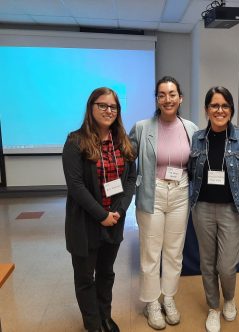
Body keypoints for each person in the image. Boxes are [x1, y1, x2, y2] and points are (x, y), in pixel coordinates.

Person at [62, 87, 136, 332]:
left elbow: (130, 178)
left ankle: (105, 316)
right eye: (102, 105)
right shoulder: (75, 141)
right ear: (91, 107)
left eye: (113, 106)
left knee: (106, 273)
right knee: (85, 279)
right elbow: (76, 185)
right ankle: (93, 325)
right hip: (85, 223)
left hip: (114, 221)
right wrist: (101, 215)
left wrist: (119, 211)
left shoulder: (122, 140)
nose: (108, 110)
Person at [189, 86, 239, 332]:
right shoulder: (197, 138)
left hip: (234, 209)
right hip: (202, 208)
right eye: (214, 106)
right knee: (207, 263)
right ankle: (213, 307)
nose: (220, 110)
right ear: (207, 110)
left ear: (231, 109)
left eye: (225, 106)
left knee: (227, 265)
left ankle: (229, 298)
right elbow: (189, 174)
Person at [129, 76, 198, 330]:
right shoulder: (141, 127)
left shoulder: (191, 128)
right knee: (150, 250)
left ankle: (168, 298)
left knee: (174, 250)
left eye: (172, 94)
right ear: (156, 99)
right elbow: (126, 158)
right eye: (161, 94)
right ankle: (151, 302)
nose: (167, 99)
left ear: (180, 98)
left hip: (180, 191)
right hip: (152, 192)